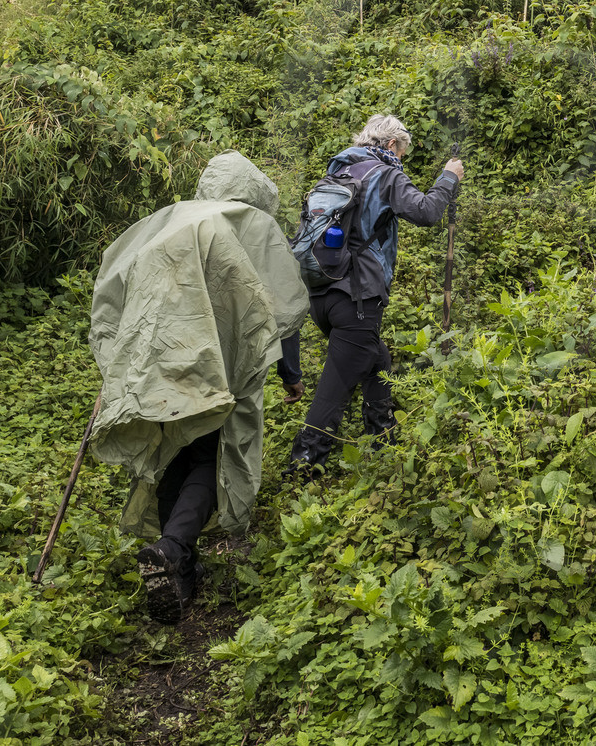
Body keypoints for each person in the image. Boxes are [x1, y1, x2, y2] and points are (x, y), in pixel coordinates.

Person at [88, 151, 308, 623]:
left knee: (174, 448)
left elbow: (114, 290)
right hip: (216, 363)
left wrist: (118, 362)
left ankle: (181, 568)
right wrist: (289, 373)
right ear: (254, 192)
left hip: (155, 357)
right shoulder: (250, 225)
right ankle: (172, 549)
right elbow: (279, 308)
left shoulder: (165, 221)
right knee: (211, 454)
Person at [284, 114, 463, 475]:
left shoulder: (336, 174)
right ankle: (303, 467)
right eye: (403, 151)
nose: (402, 159)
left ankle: (383, 439)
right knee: (334, 390)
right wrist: (449, 177)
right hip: (357, 300)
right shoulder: (384, 174)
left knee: (376, 357)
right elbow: (426, 212)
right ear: (392, 144)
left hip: (320, 295)